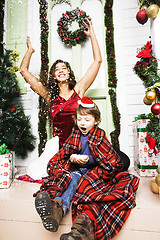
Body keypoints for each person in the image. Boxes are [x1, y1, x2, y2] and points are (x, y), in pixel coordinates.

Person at [34, 96, 139, 240]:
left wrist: (90, 159)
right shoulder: (75, 133)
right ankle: (56, 210)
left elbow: (107, 158)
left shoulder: (100, 135)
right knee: (71, 180)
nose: (82, 123)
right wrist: (72, 157)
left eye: (87, 120)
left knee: (87, 186)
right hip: (78, 170)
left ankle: (82, 226)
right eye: (79, 119)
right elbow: (67, 151)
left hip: (94, 171)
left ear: (95, 120)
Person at [19, 19, 102, 179]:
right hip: (61, 148)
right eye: (57, 69)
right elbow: (23, 70)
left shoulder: (79, 88)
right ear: (54, 76)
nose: (61, 70)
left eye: (64, 68)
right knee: (57, 175)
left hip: (82, 144)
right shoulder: (49, 96)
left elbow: (97, 61)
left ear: (69, 72)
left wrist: (92, 35)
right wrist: (30, 50)